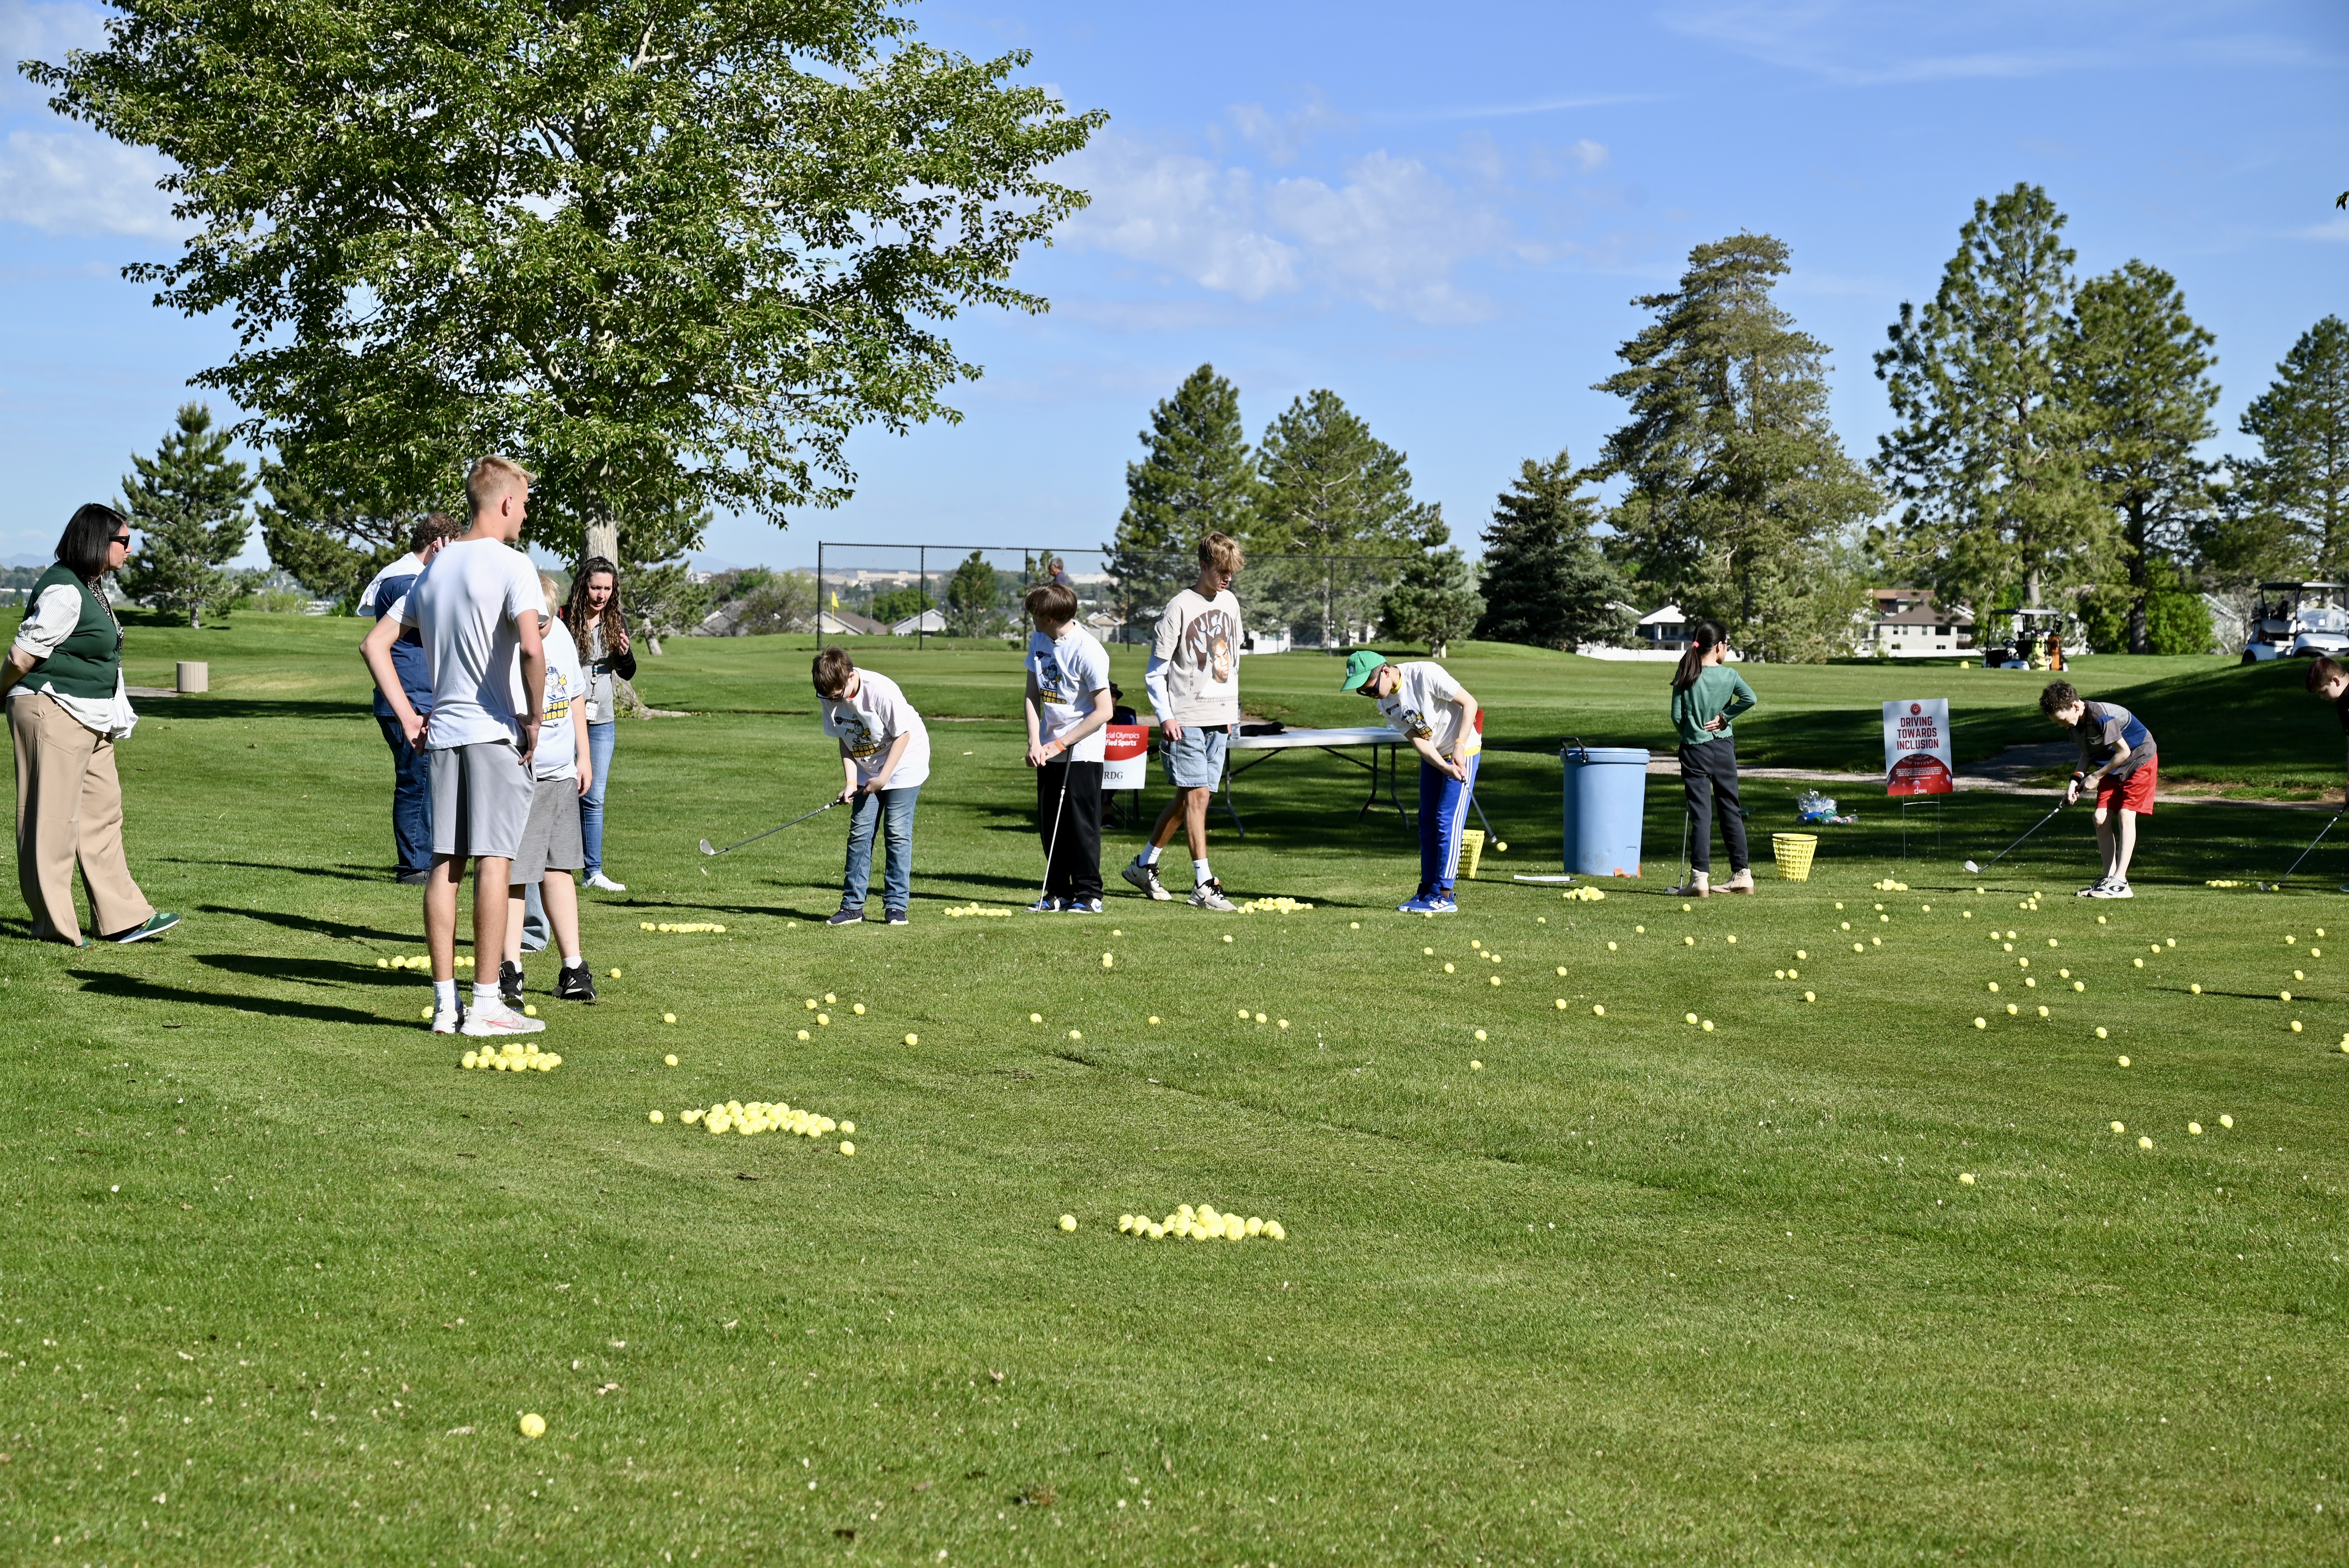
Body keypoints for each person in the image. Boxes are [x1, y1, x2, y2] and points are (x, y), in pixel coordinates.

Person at [362, 455, 547, 1036]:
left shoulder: (432, 570)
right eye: (524, 502)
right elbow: (532, 649)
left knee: (447, 863)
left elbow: (375, 645)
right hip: (492, 733)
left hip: (442, 734)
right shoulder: (514, 565)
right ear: (507, 502)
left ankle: (446, 1005)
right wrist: (537, 719)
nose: (525, 513)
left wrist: (410, 716)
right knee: (495, 861)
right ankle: (487, 1003)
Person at [2, 503, 177, 945]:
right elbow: (22, 656)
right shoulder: (65, 589)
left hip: (91, 714)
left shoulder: (90, 585)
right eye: (123, 541)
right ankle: (54, 925)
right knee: (53, 819)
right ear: (97, 541)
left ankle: (123, 918)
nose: (130, 550)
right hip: (51, 707)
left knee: (104, 813)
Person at [1119, 532, 1244, 911]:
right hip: (1185, 717)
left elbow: (1233, 662)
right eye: (1221, 571)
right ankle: (1204, 884)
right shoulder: (1178, 607)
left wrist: (1231, 712)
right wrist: (1166, 716)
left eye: (1232, 573)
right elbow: (1155, 672)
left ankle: (1144, 865)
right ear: (1203, 565)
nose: (1227, 579)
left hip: (1218, 718)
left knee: (1186, 800)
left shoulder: (1231, 603)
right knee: (1200, 796)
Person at [499, 575, 596, 1006]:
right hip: (522, 771)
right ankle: (509, 971)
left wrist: (584, 756)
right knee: (515, 875)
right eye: (531, 619)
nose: (537, 628)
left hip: (560, 771)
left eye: (544, 619)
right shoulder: (505, 640)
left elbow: (575, 695)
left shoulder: (559, 635)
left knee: (560, 869)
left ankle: (574, 968)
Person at [356, 512, 465, 884]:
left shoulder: (404, 578)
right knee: (415, 782)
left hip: (415, 697)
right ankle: (414, 865)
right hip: (408, 700)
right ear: (439, 545)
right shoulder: (405, 583)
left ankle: (423, 857)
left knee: (423, 780)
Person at [1340, 650, 1482, 914]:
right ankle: (1427, 889)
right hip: (1436, 755)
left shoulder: (1425, 674)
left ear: (1384, 672)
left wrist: (1460, 748)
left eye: (1369, 688)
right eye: (1362, 692)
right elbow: (1419, 740)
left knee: (1446, 820)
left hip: (1465, 749)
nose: (1369, 694)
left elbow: (1470, 704)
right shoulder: (1385, 704)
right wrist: (1442, 766)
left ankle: (1444, 894)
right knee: (1426, 820)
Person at [814, 647, 930, 926]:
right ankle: (853, 907)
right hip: (867, 765)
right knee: (860, 833)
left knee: (897, 832)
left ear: (851, 677)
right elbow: (845, 737)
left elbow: (903, 735)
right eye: (828, 697)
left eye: (837, 695)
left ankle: (896, 907)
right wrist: (851, 782)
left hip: (904, 761)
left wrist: (883, 778)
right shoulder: (829, 694)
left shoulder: (880, 690)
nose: (834, 701)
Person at [1023, 583, 1114, 913]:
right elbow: (1033, 694)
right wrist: (1036, 741)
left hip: (1082, 750)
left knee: (1080, 824)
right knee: (1051, 823)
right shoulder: (1039, 639)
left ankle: (1089, 894)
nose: (1031, 617)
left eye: (1035, 612)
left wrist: (1062, 742)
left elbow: (1105, 711)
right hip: (1047, 747)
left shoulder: (1088, 650)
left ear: (1049, 616)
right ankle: (1058, 892)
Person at [2041, 679, 2156, 899]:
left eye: (2062, 720)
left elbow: (2124, 753)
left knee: (2126, 815)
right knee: (2100, 818)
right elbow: (2089, 752)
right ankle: (2109, 878)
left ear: (2075, 706)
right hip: (2113, 764)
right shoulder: (2073, 725)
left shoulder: (2101, 717)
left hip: (2140, 758)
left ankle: (2120, 883)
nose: (2061, 725)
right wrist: (2075, 781)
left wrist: (2096, 776)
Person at [1667, 621, 1757, 898]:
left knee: (1701, 813)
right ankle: (1742, 875)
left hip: (1695, 748)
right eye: (1727, 645)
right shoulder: (1730, 675)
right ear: (1719, 646)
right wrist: (1725, 718)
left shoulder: (1687, 672)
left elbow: (1676, 717)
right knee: (1731, 808)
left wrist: (1691, 733)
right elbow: (1750, 698)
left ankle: (1700, 879)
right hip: (1725, 748)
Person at [565, 557, 635, 893]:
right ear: (584, 586)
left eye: (607, 588)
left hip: (602, 720)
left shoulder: (615, 619)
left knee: (594, 797)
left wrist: (623, 654)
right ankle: (557, 865)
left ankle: (593, 872)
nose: (602, 595)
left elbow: (628, 672)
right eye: (596, 587)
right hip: (565, 719)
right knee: (562, 793)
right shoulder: (564, 618)